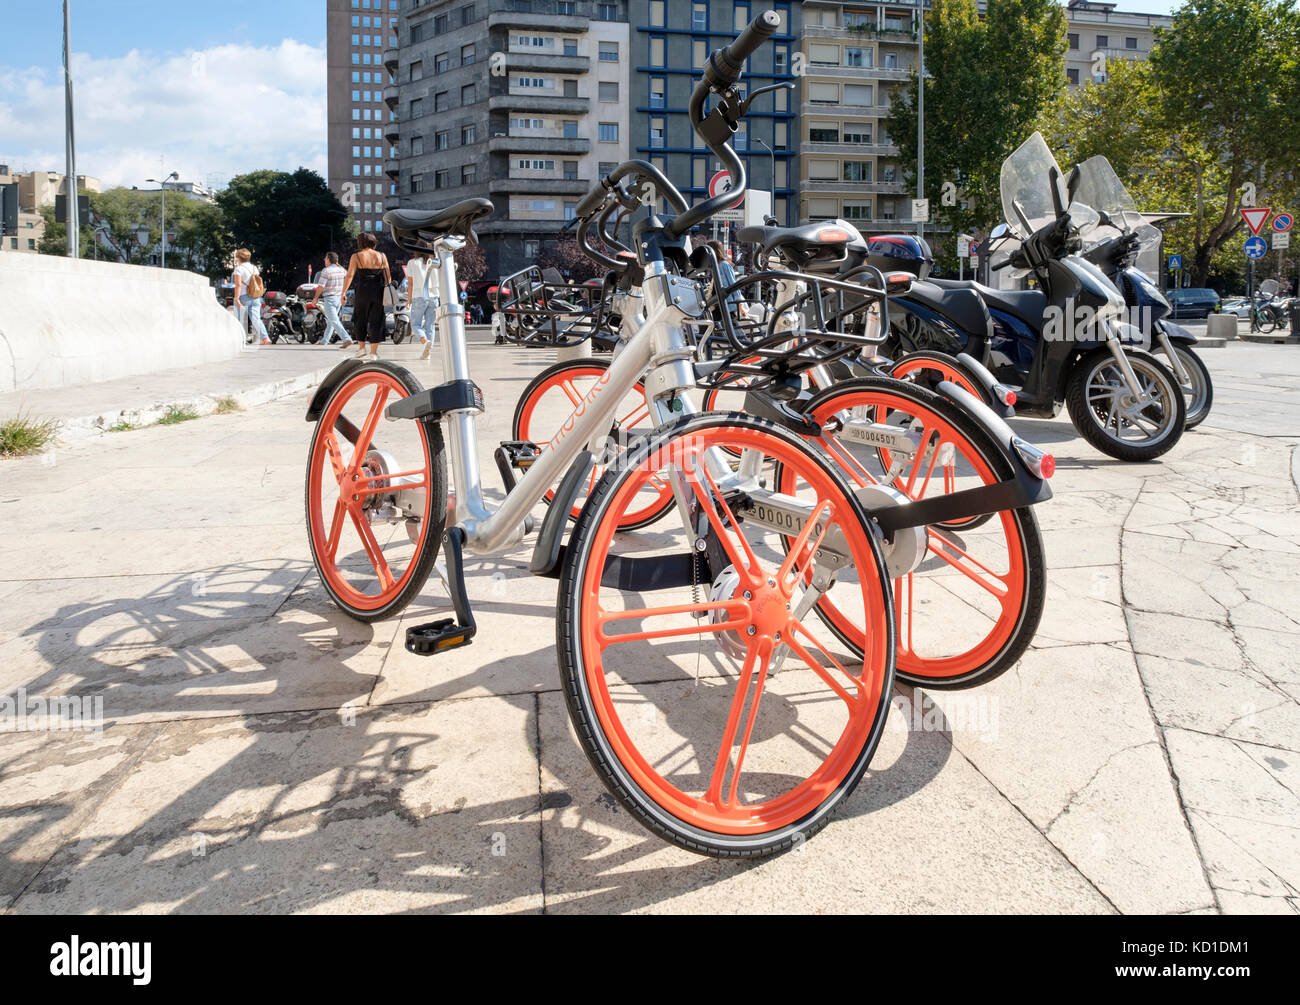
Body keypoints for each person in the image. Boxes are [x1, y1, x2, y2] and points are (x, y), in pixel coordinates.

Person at [340, 232, 392, 359]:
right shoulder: (382, 255)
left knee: (360, 318)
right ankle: (373, 353)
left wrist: (344, 292)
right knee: (376, 319)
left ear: (360, 242)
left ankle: (362, 348)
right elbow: (388, 278)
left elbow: (349, 275)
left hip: (362, 289)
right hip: (378, 289)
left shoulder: (356, 256)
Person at [309, 252, 354, 348]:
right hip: (338, 298)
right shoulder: (342, 270)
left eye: (325, 258)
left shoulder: (326, 271)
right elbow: (347, 277)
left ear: (329, 259)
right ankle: (324, 341)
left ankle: (347, 339)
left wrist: (315, 298)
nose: (324, 260)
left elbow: (321, 286)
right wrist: (344, 294)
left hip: (329, 299)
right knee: (331, 321)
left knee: (334, 320)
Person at [404, 250, 438, 361]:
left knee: (415, 324)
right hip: (434, 296)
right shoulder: (436, 262)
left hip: (419, 296)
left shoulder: (412, 263)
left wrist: (408, 301)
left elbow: (410, 284)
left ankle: (424, 341)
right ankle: (428, 353)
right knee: (430, 326)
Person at [231, 249, 269, 346]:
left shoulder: (238, 269)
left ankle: (241, 339)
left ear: (238, 258)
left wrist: (236, 298)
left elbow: (238, 285)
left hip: (243, 296)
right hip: (255, 296)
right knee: (256, 319)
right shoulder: (254, 268)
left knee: (240, 319)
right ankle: (265, 338)